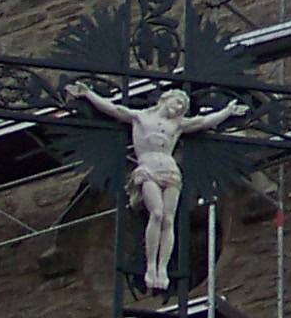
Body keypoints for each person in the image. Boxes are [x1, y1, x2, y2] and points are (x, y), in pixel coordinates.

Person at [74, 81, 248, 296]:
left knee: (168, 219)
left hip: (170, 170)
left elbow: (203, 121)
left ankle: (162, 269)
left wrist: (227, 111)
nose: (177, 109)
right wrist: (89, 94)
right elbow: (114, 109)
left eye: (181, 108)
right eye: (176, 104)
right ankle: (150, 267)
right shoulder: (141, 117)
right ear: (164, 100)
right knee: (156, 214)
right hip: (148, 168)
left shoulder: (178, 125)